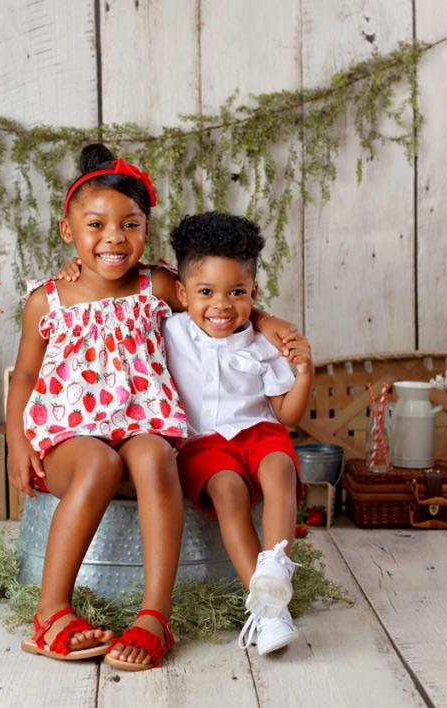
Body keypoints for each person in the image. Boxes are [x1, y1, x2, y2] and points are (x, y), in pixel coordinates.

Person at [9, 144, 296, 670]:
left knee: (155, 456)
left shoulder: (158, 285)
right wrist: (15, 442)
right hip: (70, 439)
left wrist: (270, 325)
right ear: (68, 231)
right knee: (100, 461)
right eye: (96, 224)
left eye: (131, 223)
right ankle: (51, 611)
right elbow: (25, 374)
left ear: (147, 227)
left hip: (141, 424)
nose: (115, 237)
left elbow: (221, 303)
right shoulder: (47, 299)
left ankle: (154, 617)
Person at [165, 211, 312, 655]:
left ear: (254, 292)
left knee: (281, 467)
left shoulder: (264, 344)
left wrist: (304, 370)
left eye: (237, 292)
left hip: (257, 432)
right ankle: (270, 614)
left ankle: (276, 566)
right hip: (203, 443)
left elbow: (287, 415)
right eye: (206, 292)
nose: (221, 305)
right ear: (182, 293)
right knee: (229, 494)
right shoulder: (170, 329)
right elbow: (137, 276)